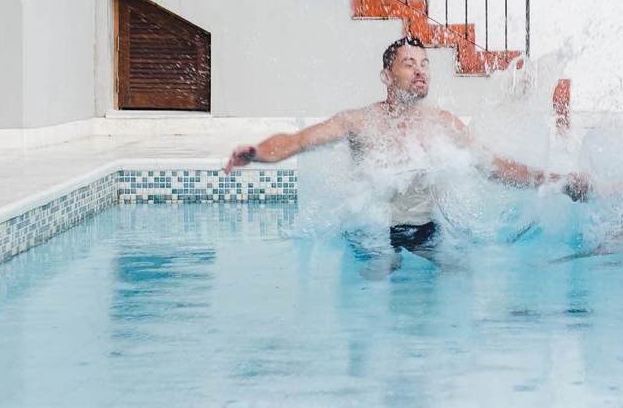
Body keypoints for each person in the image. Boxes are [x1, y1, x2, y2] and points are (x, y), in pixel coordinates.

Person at [224, 37, 585, 270]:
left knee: (463, 272)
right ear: (386, 75)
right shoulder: (359, 121)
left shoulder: (443, 124)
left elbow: (493, 167)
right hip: (370, 230)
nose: (420, 71)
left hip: (424, 229)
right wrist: (256, 153)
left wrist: (556, 181)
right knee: (382, 270)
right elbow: (297, 141)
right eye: (409, 64)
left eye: (425, 64)